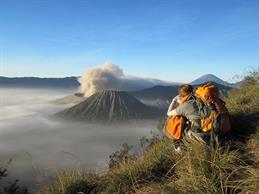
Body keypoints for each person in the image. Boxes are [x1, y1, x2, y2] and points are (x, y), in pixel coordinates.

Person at [165, 84, 211, 151]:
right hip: (215, 125)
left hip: (202, 134)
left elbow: (169, 113)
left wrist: (174, 101)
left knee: (173, 120)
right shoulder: (201, 98)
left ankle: (179, 147)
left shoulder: (185, 106)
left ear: (181, 95)